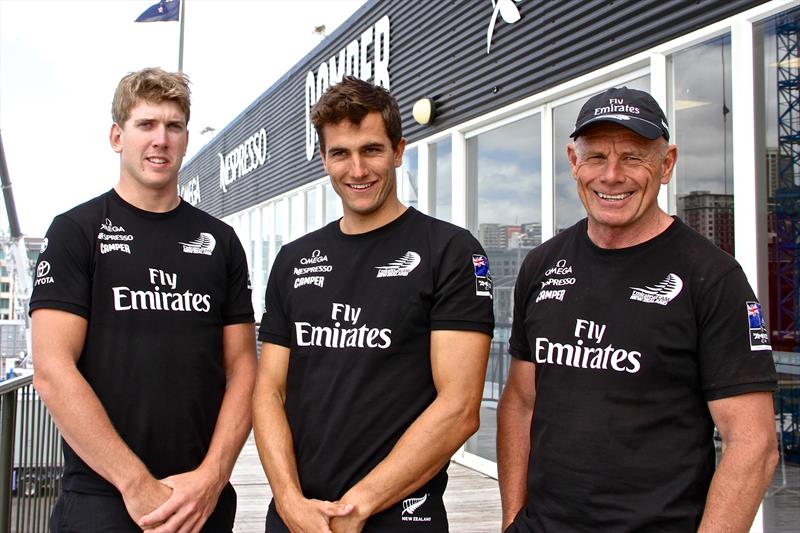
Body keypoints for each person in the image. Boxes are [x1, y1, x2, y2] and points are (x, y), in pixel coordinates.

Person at [497, 86, 779, 532]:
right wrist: (513, 517)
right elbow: (520, 402)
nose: (612, 175)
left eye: (632, 157)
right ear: (574, 162)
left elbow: (754, 443)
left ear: (666, 165)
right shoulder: (542, 264)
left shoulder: (712, 277)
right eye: (596, 158)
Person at [253, 76, 495, 533]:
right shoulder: (294, 259)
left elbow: (460, 408)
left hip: (398, 517)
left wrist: (358, 507)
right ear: (323, 160)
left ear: (399, 151)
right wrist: (288, 499)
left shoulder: (450, 251)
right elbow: (269, 391)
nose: (357, 169)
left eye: (372, 150)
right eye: (340, 153)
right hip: (296, 518)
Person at [30, 67, 257, 533]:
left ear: (187, 138)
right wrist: (135, 484)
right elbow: (53, 370)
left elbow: (242, 367)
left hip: (201, 500)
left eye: (173, 126)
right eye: (146, 125)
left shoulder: (220, 241)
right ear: (117, 136)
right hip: (103, 497)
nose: (161, 140)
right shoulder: (76, 231)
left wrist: (213, 476)